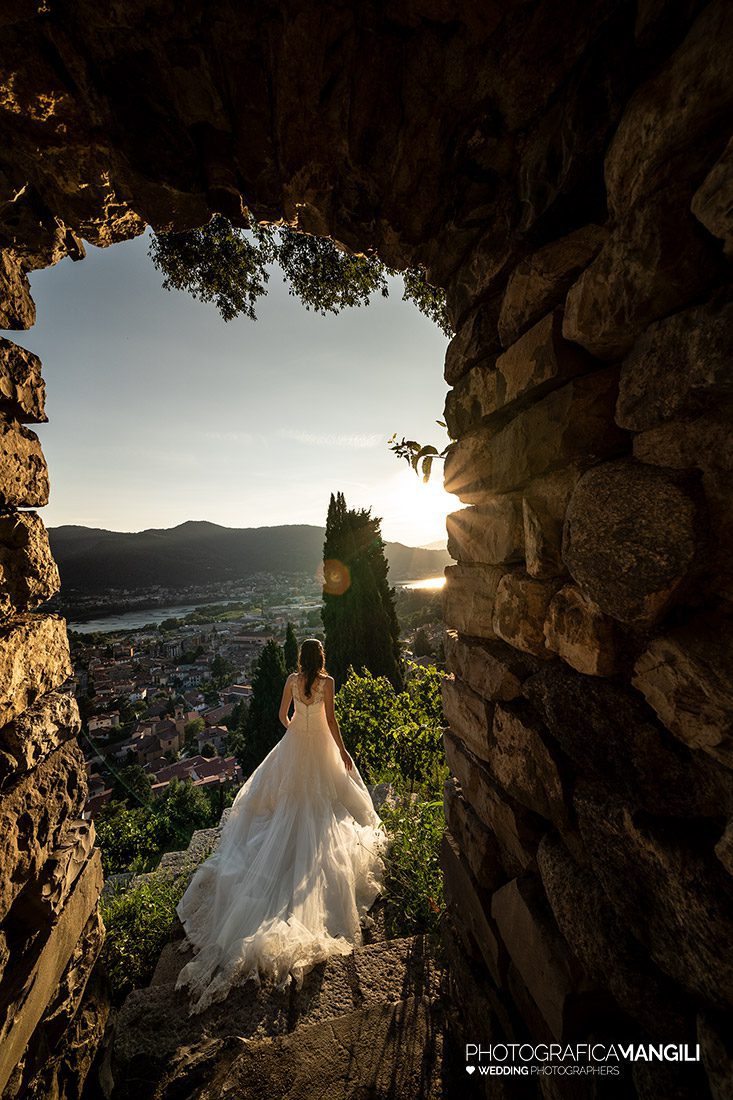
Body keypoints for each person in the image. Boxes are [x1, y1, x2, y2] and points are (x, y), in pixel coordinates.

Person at [174, 637, 389, 1015]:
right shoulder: (327, 683)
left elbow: (281, 716)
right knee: (325, 802)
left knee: (288, 802)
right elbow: (332, 722)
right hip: (320, 746)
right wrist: (340, 750)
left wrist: (296, 731)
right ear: (321, 657)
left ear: (300, 658)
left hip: (295, 745)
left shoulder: (291, 680)